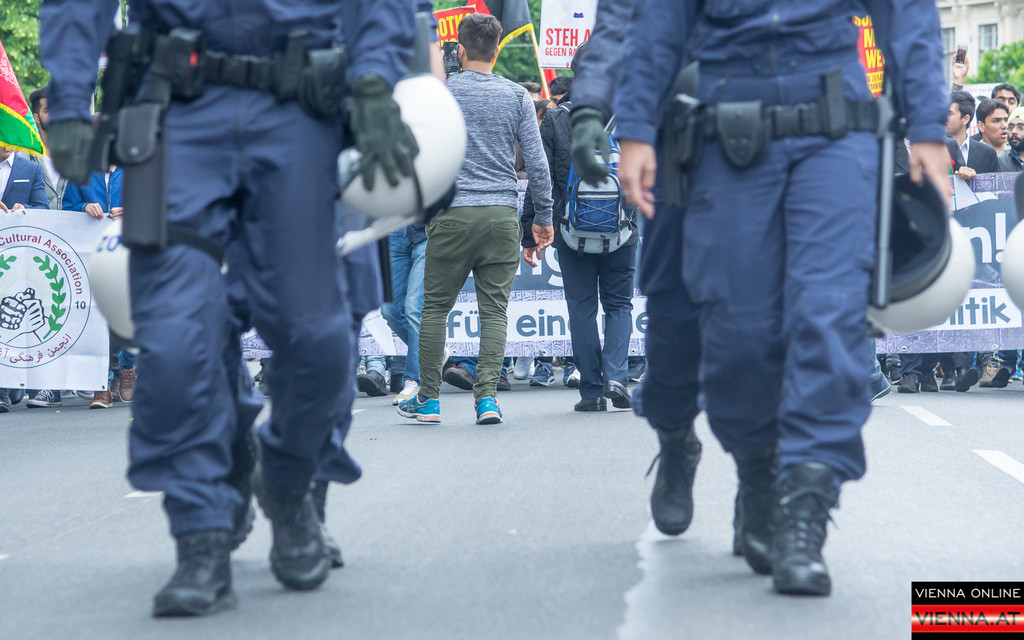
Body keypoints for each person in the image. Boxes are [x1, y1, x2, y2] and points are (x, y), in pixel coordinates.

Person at [40, 0, 418, 617]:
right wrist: (69, 95)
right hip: (179, 113)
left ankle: (289, 480)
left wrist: (375, 78)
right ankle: (201, 535)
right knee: (173, 342)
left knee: (320, 341)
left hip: (299, 114)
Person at [614, 0, 949, 596]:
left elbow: (907, 13)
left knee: (831, 317)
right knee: (738, 334)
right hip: (726, 126)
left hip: (836, 127)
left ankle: (806, 510)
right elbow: (657, 20)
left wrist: (926, 125)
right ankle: (758, 468)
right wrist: (637, 127)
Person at [399, 13, 553, 425]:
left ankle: (428, 400)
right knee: (494, 312)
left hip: (451, 214)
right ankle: (486, 399)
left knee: (435, 309)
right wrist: (543, 216)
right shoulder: (517, 95)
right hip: (501, 215)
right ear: (497, 50)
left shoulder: (442, 92)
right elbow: (538, 164)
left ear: (461, 49)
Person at [522, 41, 637, 412]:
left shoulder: (557, 119)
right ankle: (617, 376)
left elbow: (539, 177)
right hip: (621, 229)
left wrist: (531, 228)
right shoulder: (629, 115)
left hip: (570, 230)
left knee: (582, 309)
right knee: (618, 305)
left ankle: (591, 391)